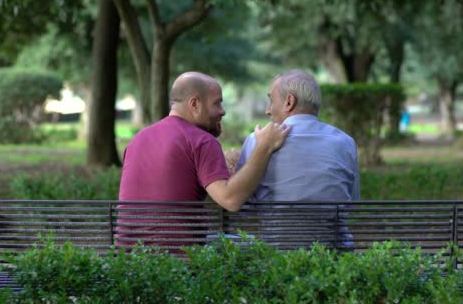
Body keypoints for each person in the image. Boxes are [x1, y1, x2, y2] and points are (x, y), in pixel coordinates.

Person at [116, 71, 291, 252]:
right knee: (255, 247)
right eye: (217, 103)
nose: (223, 111)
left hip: (129, 259)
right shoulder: (202, 141)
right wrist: (265, 146)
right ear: (194, 104)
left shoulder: (138, 139)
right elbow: (231, 200)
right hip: (178, 261)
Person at [234, 69, 360, 249]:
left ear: (289, 102)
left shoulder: (258, 140)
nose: (267, 110)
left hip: (277, 253)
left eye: (271, 100)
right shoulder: (345, 142)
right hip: (334, 255)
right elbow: (352, 203)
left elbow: (242, 207)